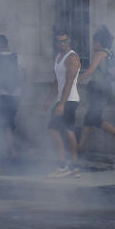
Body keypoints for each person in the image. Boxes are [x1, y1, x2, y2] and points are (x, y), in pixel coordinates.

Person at [77, 26, 115, 155]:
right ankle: (78, 148)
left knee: (94, 118)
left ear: (99, 42)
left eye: (94, 41)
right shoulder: (109, 53)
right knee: (89, 118)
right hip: (105, 89)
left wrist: (76, 80)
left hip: (98, 90)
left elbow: (91, 70)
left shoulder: (99, 54)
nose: (93, 44)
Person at [45, 29, 81, 178]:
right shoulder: (59, 57)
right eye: (60, 41)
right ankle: (73, 167)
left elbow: (70, 81)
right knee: (67, 131)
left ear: (69, 41)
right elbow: (56, 81)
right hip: (63, 99)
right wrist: (48, 100)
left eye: (65, 41)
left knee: (54, 129)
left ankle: (63, 165)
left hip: (69, 100)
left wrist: (61, 104)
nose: (62, 43)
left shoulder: (72, 57)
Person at [0, 34, 22, 160]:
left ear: (0, 45)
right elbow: (23, 76)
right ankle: (8, 150)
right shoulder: (19, 57)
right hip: (16, 95)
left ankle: (12, 151)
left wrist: (2, 86)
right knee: (8, 123)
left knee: (4, 124)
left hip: (3, 95)